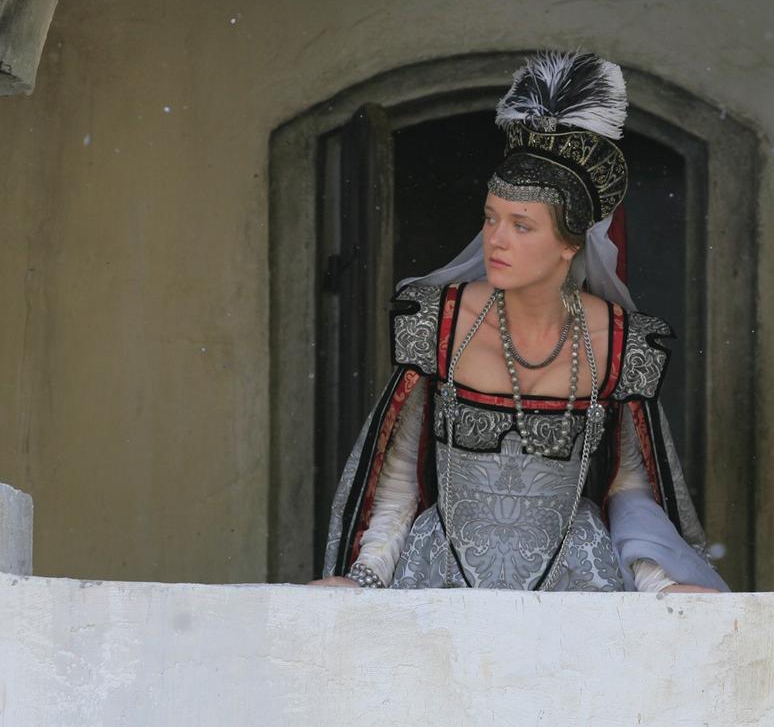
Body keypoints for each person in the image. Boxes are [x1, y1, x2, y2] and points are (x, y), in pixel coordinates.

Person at [311, 51, 727, 593]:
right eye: (491, 218)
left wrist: (657, 585)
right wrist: (364, 578)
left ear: (570, 244)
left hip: (576, 587)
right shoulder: (439, 324)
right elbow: (397, 483)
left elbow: (628, 489)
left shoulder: (621, 344)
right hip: (439, 583)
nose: (496, 240)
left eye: (522, 225)